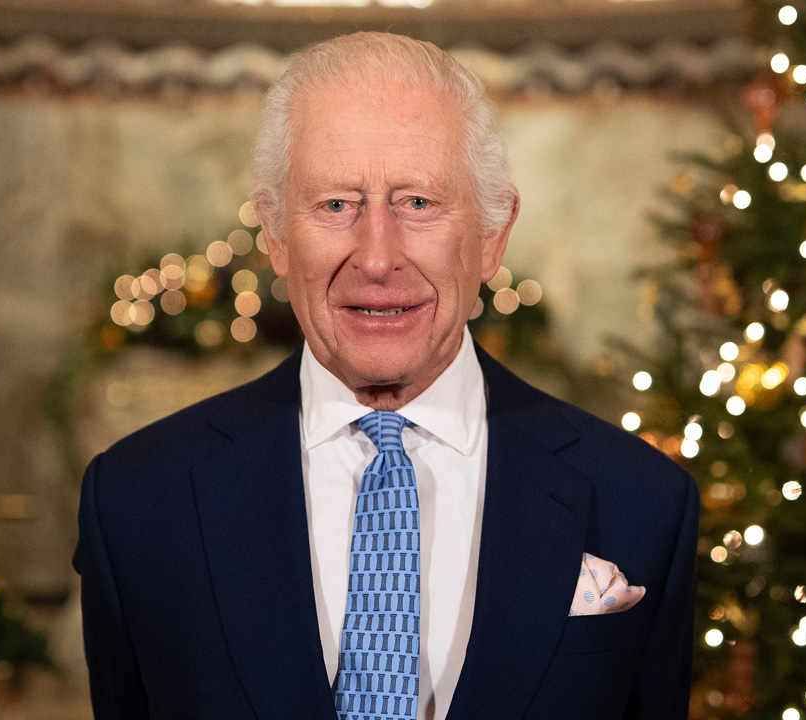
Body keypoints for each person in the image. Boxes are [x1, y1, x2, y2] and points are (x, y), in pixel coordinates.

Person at [74, 32, 699, 720]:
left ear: (492, 235)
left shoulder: (642, 503)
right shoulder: (136, 503)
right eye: (337, 205)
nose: (377, 257)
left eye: (419, 204)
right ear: (277, 235)